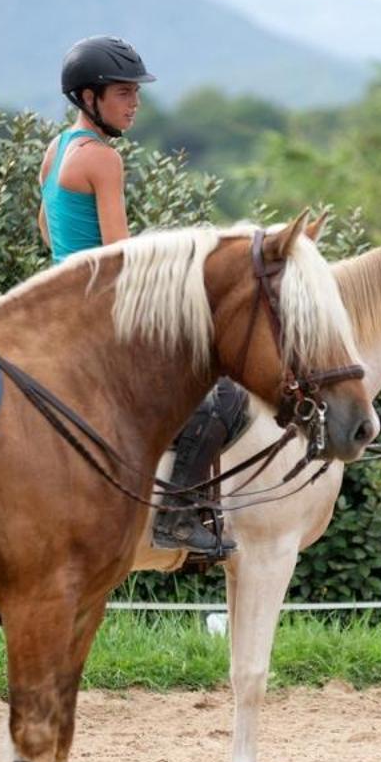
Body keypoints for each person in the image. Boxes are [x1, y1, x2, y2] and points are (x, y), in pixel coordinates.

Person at [39, 36, 239, 559]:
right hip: (103, 312)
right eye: (124, 92)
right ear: (89, 97)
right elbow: (123, 259)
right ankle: (175, 518)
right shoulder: (103, 160)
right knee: (222, 394)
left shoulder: (58, 148)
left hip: (63, 303)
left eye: (136, 92)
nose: (135, 104)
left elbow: (47, 229)